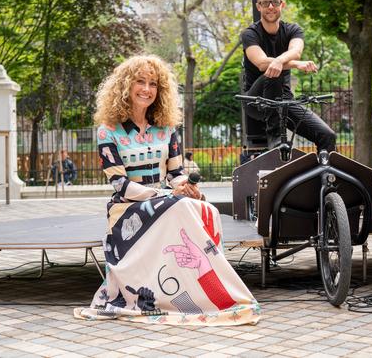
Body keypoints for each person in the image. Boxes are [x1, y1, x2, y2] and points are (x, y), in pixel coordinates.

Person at [74, 55, 259, 326]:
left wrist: (185, 186)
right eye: (140, 81)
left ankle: (204, 293)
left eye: (153, 84)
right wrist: (166, 195)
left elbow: (174, 174)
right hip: (128, 208)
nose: (146, 89)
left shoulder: (167, 129)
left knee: (205, 208)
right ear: (125, 86)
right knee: (180, 206)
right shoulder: (108, 132)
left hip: (167, 202)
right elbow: (120, 185)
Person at [240, 0, 336, 152]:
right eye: (265, 3)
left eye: (275, 2)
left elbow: (296, 51)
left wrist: (281, 60)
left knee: (327, 135)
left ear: (282, 5)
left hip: (285, 101)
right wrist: (293, 64)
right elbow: (262, 63)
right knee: (273, 71)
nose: (271, 7)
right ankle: (276, 136)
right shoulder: (250, 34)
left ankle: (326, 175)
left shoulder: (293, 30)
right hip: (257, 101)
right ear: (258, 6)